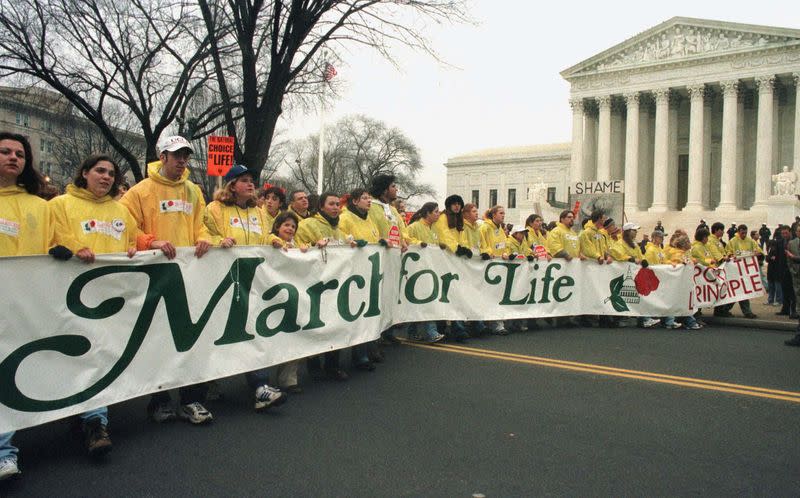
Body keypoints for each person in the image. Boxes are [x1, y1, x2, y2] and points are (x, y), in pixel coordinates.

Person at [48, 155, 142, 457]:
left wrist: (137, 247)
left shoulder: (120, 210)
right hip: (71, 299)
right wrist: (72, 250)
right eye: (100, 171)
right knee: (80, 358)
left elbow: (133, 238)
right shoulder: (59, 205)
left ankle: (92, 419)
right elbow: (51, 242)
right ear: (84, 172)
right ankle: (91, 420)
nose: (106, 177)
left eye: (111, 173)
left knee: (99, 358)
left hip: (111, 299)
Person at [119, 135, 214, 424]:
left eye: (186, 155)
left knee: (190, 336)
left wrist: (203, 239)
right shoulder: (140, 191)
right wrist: (152, 242)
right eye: (177, 156)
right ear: (163, 157)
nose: (182, 161)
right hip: (156, 275)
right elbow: (124, 224)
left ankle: (191, 399)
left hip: (189, 275)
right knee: (158, 338)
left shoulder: (193, 191)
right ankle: (159, 400)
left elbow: (202, 224)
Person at [203, 164, 288, 410]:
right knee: (219, 334)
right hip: (223, 283)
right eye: (244, 180)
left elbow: (263, 237)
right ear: (231, 185)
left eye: (252, 180)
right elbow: (203, 235)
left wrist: (273, 240)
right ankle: (209, 383)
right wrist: (219, 241)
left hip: (252, 284)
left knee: (252, 332)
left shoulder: (259, 212)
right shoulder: (215, 209)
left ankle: (260, 386)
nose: (251, 185)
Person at [0, 132, 53, 480]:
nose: (13, 158)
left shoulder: (40, 206)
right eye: (4, 151)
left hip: (26, 303)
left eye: (20, 153)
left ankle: (7, 449)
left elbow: (54, 245)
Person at [295, 192, 357, 380]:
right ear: (321, 206)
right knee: (315, 324)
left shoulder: (338, 229)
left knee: (335, 323)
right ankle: (313, 363)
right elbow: (298, 248)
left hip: (335, 285)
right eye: (331, 204)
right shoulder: (307, 225)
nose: (336, 207)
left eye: (338, 204)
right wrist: (313, 245)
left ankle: (332, 365)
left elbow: (345, 246)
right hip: (314, 285)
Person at [338, 188, 387, 365]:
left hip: (370, 273)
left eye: (369, 198)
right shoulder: (346, 218)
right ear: (355, 201)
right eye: (365, 198)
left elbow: (376, 236)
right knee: (359, 313)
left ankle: (370, 346)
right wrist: (350, 243)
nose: (369, 201)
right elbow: (340, 238)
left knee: (370, 312)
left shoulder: (370, 219)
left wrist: (381, 242)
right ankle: (359, 354)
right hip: (354, 275)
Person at [479, 205, 511, 335]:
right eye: (501, 213)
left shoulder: (501, 230)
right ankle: (489, 323)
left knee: (498, 295)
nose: (503, 215)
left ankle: (498, 323)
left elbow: (506, 244)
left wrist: (506, 253)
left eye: (504, 213)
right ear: (493, 215)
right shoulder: (485, 228)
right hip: (488, 266)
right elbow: (482, 244)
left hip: (500, 266)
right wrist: (489, 252)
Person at [664, 233, 702, 330]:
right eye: (688, 241)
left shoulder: (683, 253)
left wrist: (693, 261)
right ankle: (673, 321)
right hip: (678, 283)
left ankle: (685, 321)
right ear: (684, 244)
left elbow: (688, 261)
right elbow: (675, 262)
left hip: (683, 283)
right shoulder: (678, 254)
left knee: (682, 301)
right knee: (677, 301)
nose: (690, 243)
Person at [784, 223, 800, 346]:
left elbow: (793, 258)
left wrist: (794, 257)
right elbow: (789, 262)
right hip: (797, 277)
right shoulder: (792, 243)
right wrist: (794, 272)